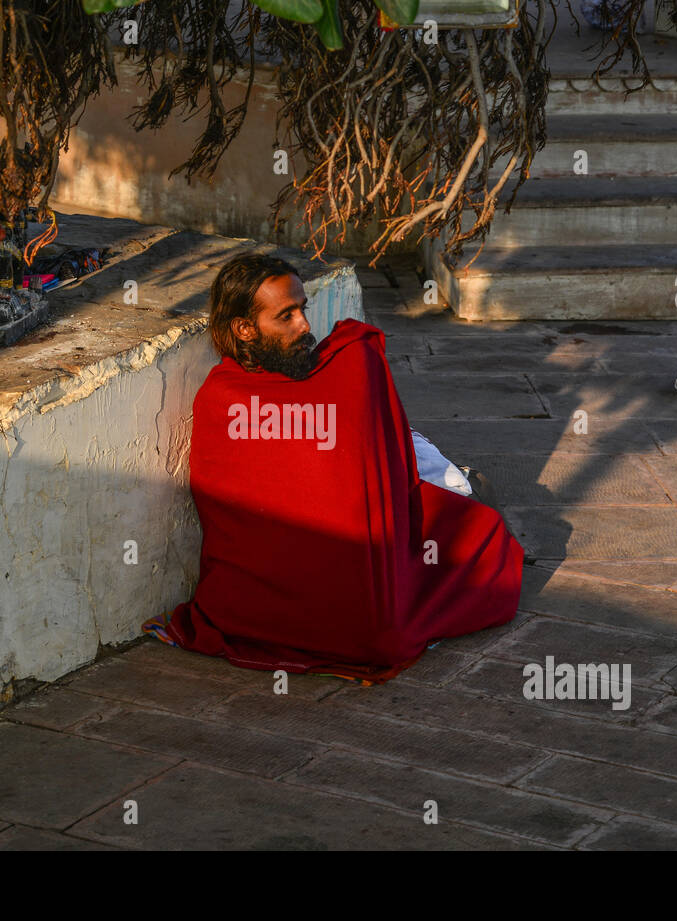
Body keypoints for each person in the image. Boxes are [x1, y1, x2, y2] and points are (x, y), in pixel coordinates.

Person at [142, 251, 525, 683]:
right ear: (245, 329)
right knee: (482, 536)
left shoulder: (312, 374)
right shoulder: (230, 398)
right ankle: (463, 486)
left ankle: (456, 484)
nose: (305, 326)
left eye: (302, 310)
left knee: (456, 509)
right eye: (285, 317)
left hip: (258, 608)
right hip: (342, 604)